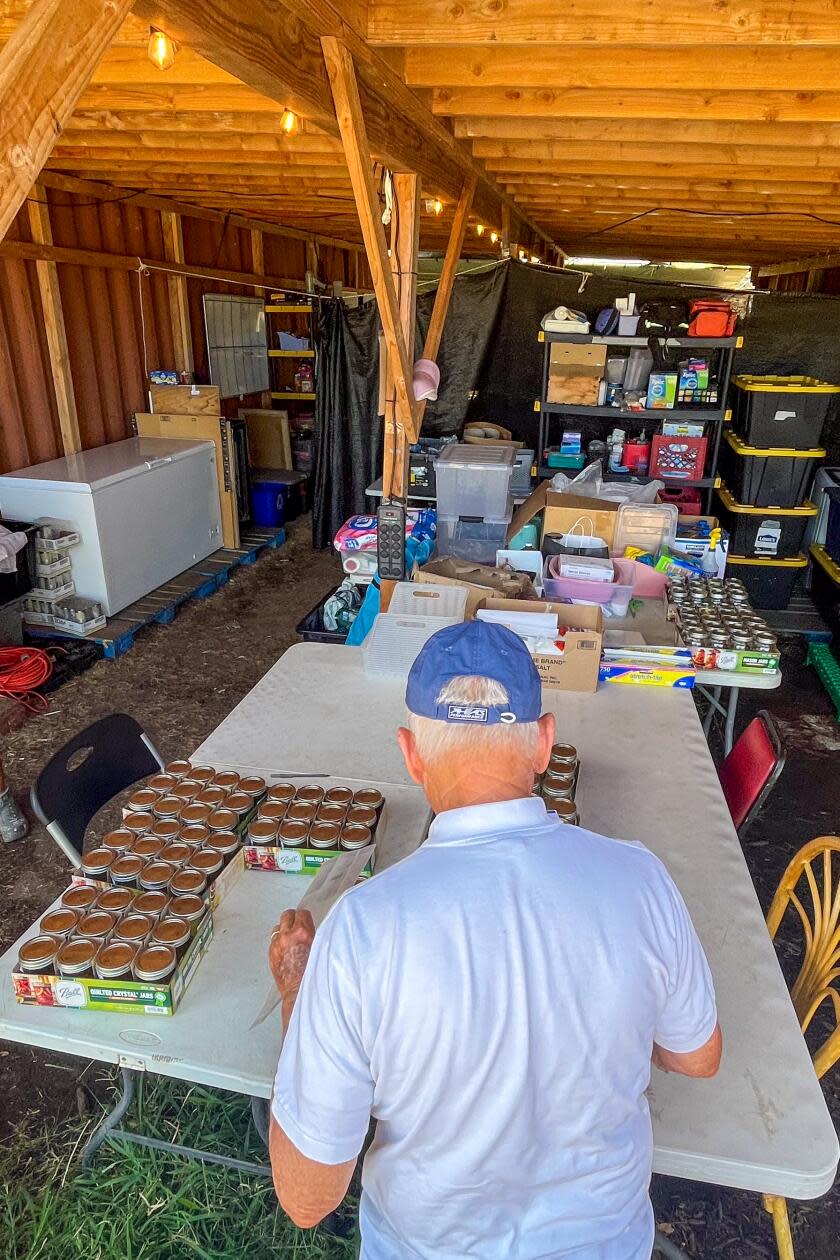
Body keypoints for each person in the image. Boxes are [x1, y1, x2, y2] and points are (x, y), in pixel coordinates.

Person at [268, 620, 721, 1259]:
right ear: (543, 744)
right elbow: (695, 1057)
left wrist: (297, 990)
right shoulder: (639, 877)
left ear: (411, 754)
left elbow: (307, 1198)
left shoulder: (363, 929)